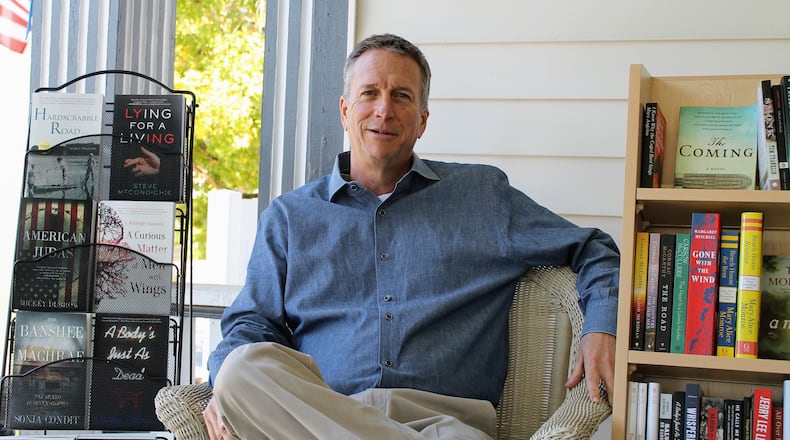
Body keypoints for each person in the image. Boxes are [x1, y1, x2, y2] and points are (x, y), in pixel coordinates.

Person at [204, 33, 620, 440]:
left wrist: (600, 329)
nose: (384, 110)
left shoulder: (482, 196)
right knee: (240, 368)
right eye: (370, 93)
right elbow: (251, 325)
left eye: (401, 96)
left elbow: (593, 247)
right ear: (345, 110)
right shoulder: (290, 217)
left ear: (422, 120)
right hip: (319, 417)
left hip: (443, 425)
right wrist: (226, 387)